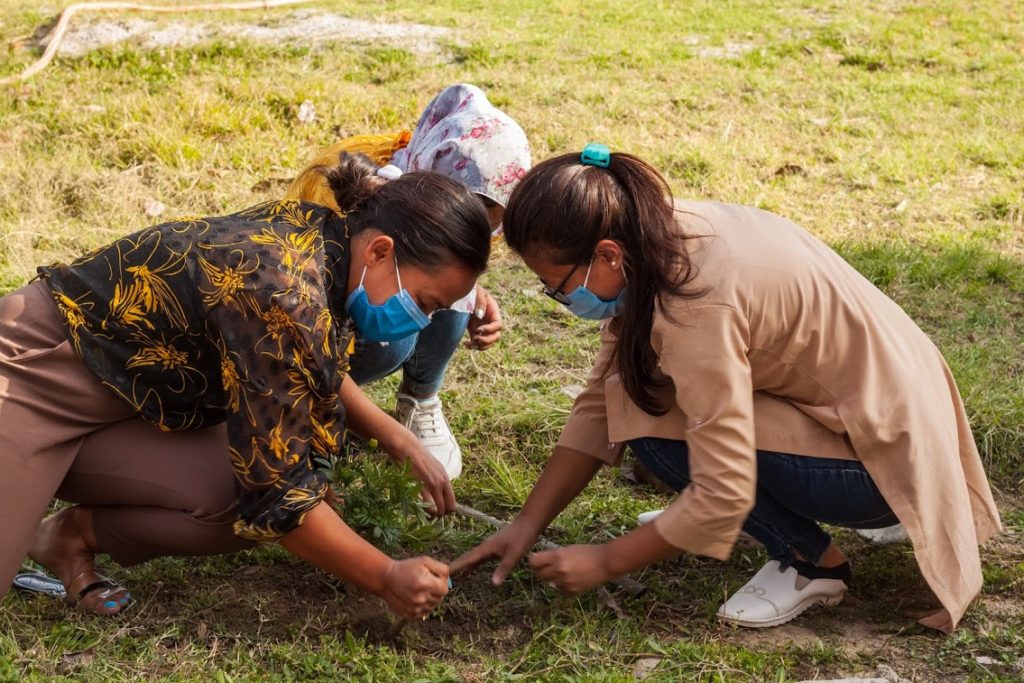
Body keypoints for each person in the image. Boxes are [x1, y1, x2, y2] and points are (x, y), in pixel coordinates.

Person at [453, 144, 1002, 632]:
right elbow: (601, 398)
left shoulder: (695, 304)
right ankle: (758, 530)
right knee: (636, 398)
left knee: (653, 430)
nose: (559, 297)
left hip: (883, 469)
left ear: (606, 255)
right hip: (889, 420)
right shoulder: (660, 231)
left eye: (558, 285)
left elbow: (723, 487)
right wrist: (527, 524)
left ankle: (811, 564)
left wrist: (608, 559)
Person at [0, 153, 492, 617]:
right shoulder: (283, 290)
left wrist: (392, 433)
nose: (422, 321)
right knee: (276, 494)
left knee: (234, 495)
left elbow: (310, 363)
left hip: (128, 400)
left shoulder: (325, 240)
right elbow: (277, 498)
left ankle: (71, 536)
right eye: (425, 302)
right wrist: (387, 577)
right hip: (32, 372)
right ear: (381, 250)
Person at [285, 83, 531, 480]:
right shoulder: (306, 254)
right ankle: (316, 404)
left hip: (329, 319)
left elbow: (436, 268)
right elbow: (306, 343)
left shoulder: (448, 195)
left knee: (453, 293)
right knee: (390, 344)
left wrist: (470, 292)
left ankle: (420, 400)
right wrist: (389, 436)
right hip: (307, 334)